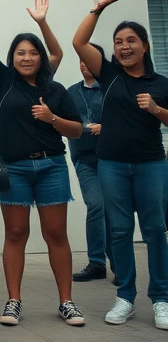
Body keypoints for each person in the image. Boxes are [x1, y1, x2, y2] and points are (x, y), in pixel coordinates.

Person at [0, 0, 85, 327]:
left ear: (41, 58)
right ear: (12, 58)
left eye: (33, 52)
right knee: (15, 233)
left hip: (51, 166)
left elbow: (78, 130)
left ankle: (66, 302)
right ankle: (14, 301)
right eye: (20, 53)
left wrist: (52, 117)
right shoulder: (3, 82)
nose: (27, 58)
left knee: (56, 234)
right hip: (14, 169)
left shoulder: (53, 88)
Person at [72, 0, 168, 330]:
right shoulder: (109, 76)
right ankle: (125, 297)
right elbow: (79, 41)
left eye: (131, 41)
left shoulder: (160, 84)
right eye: (118, 42)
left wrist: (157, 109)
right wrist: (99, 7)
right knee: (121, 231)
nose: (124, 46)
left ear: (144, 46)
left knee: (155, 230)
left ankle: (161, 298)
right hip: (111, 165)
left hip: (151, 166)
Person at [66, 53, 114, 283]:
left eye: (89, 59)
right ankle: (96, 263)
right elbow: (64, 121)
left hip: (112, 158)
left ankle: (118, 263)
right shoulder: (71, 92)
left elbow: (125, 118)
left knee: (112, 211)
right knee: (96, 205)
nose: (85, 64)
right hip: (85, 159)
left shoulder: (111, 88)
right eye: (81, 60)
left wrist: (106, 127)